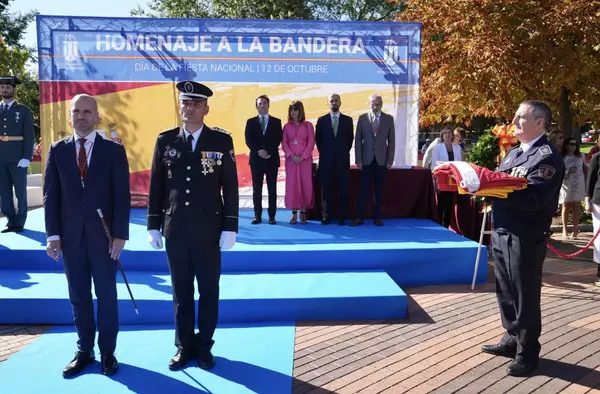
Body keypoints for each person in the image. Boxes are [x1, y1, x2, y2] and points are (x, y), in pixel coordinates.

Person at [146, 80, 239, 371]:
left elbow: (231, 187)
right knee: (181, 292)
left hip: (209, 229)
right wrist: (153, 224)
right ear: (180, 106)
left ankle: (204, 345)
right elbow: (156, 186)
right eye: (186, 103)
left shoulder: (221, 141)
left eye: (196, 103)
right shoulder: (165, 140)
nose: (190, 108)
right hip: (175, 229)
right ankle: (183, 346)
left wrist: (230, 226)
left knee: (209, 291)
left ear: (206, 108)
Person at [43, 94, 131, 377]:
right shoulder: (57, 150)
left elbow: (122, 197)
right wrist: (52, 235)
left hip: (104, 239)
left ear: (97, 117)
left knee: (106, 296)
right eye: (76, 111)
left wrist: (120, 236)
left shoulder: (113, 151)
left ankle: (108, 353)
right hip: (70, 239)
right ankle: (84, 350)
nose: (81, 116)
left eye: (86, 111)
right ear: (71, 116)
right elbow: (50, 196)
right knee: (78, 297)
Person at [481, 100, 564, 377]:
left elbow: (534, 197)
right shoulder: (514, 153)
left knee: (525, 295)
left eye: (521, 117)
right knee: (505, 290)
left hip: (525, 235)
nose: (514, 121)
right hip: (503, 230)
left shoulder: (547, 156)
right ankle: (511, 337)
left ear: (539, 123)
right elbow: (502, 181)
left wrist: (494, 188)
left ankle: (528, 352)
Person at [351, 93, 395, 227]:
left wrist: (390, 159)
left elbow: (391, 140)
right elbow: (358, 140)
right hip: (365, 160)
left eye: (377, 104)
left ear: (381, 104)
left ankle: (377, 218)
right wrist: (358, 159)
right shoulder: (362, 118)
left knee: (378, 190)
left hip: (381, 160)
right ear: (369, 104)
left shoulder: (388, 119)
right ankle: (359, 218)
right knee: (363, 189)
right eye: (372, 104)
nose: (375, 107)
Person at [0, 76, 35, 233]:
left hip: (18, 158)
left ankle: (20, 221)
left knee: (20, 192)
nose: (5, 90)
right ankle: (10, 220)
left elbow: (29, 135)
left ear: (14, 89)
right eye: (2, 87)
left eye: (8, 87)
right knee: (4, 193)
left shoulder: (23, 111)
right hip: (1, 159)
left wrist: (27, 157)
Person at [315, 93, 354, 225]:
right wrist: (328, 154)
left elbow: (349, 141)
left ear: (340, 103)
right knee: (326, 190)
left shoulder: (348, 121)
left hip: (342, 161)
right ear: (328, 103)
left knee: (343, 190)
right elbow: (318, 141)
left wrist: (340, 153)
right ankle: (326, 216)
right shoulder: (321, 121)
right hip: (326, 161)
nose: (334, 103)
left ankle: (341, 217)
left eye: (336, 100)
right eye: (332, 101)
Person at [244, 94, 282, 224]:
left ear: (268, 105)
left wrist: (268, 151)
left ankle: (272, 216)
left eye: (264, 103)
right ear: (256, 106)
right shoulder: (250, 122)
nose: (262, 105)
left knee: (272, 189)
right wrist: (259, 151)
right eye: (259, 103)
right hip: (256, 159)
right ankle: (257, 216)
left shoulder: (276, 122)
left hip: (271, 159)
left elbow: (278, 139)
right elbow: (248, 140)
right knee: (257, 189)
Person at [282, 100, 315, 224]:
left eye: (295, 109)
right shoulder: (286, 126)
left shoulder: (308, 125)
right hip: (291, 162)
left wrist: (303, 156)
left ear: (300, 111)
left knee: (305, 185)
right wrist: (291, 156)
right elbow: (284, 143)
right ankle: (294, 214)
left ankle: (304, 213)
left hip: (304, 161)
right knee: (292, 186)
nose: (293, 112)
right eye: (291, 110)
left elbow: (311, 143)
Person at [431, 128, 463, 228]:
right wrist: (435, 181)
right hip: (442, 177)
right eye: (445, 133)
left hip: (453, 179)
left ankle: (446, 225)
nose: (447, 135)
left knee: (449, 204)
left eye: (449, 133)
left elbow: (460, 163)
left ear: (452, 135)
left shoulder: (457, 147)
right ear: (442, 135)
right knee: (441, 203)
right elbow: (434, 165)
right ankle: (438, 224)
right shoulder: (438, 147)